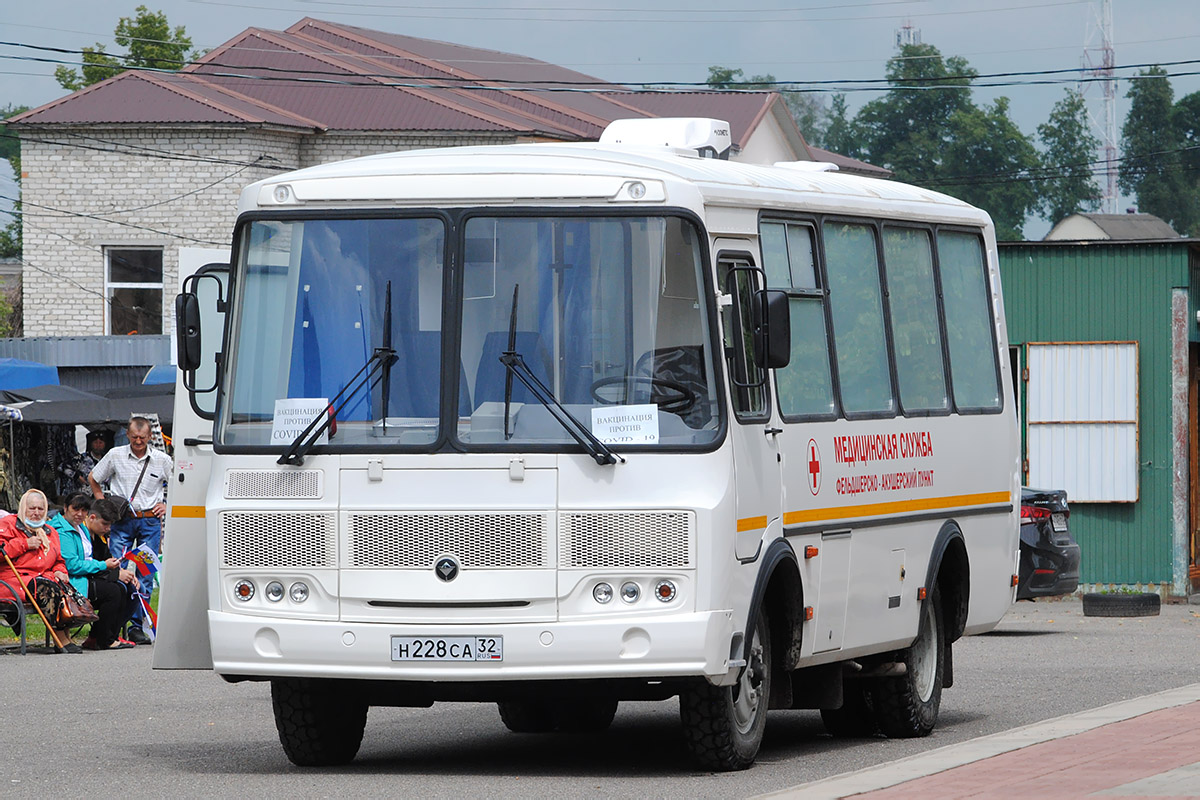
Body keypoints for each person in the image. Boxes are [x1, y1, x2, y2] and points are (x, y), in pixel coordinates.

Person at [87, 416, 172, 646]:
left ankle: (137, 626)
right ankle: (116, 625)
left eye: (142, 438)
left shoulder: (161, 459)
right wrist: (102, 502)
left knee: (144, 574)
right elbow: (93, 477)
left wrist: (167, 504)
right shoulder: (115, 455)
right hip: (122, 520)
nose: (138, 442)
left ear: (150, 437)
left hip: (149, 521)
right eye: (134, 437)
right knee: (119, 570)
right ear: (127, 434)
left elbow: (178, 482)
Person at [0, 488, 82, 653]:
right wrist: (24, 544)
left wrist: (60, 571)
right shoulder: (8, 524)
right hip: (13, 580)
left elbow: (59, 560)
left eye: (40, 509)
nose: (36, 513)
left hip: (42, 578)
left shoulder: (50, 532)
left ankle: (65, 636)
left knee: (61, 586)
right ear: (23, 508)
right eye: (32, 508)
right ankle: (60, 640)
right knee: (47, 588)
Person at [51, 493, 137, 650]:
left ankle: (105, 636)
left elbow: (97, 560)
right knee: (113, 591)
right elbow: (72, 565)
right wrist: (107, 568)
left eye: (83, 510)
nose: (79, 514)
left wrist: (119, 572)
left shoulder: (82, 528)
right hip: (72, 581)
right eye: (75, 509)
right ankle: (103, 639)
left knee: (125, 589)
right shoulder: (62, 531)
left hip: (85, 577)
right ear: (65, 508)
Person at [59, 430, 110, 498]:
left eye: (100, 443)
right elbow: (63, 466)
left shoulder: (108, 459)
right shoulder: (82, 458)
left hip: (103, 495)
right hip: (85, 496)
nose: (98, 445)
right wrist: (77, 477)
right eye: (95, 442)